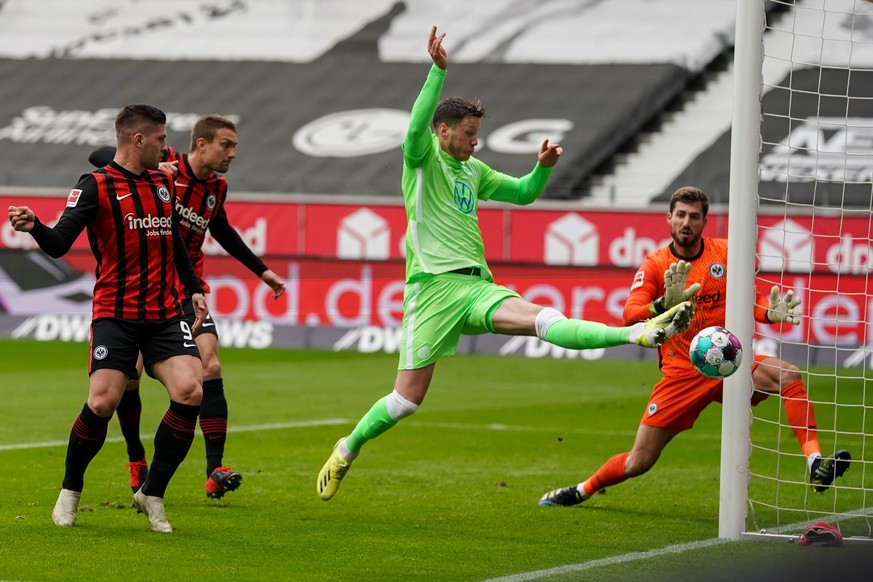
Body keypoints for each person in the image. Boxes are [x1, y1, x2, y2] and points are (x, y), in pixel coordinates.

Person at [315, 26, 695, 502]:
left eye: (478, 134)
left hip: (476, 287)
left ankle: (634, 335)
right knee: (406, 401)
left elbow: (524, 193)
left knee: (542, 319)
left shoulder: (473, 171)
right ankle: (348, 446)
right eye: (469, 134)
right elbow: (413, 127)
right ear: (445, 131)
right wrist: (437, 72)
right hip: (431, 291)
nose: (476, 143)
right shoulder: (422, 159)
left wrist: (543, 167)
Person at [538, 186, 851, 508]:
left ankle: (815, 462)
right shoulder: (656, 264)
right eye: (681, 215)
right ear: (669, 218)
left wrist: (770, 313)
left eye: (694, 217)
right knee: (639, 461)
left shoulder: (726, 254)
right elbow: (630, 314)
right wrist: (662, 304)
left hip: (730, 361)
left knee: (788, 374)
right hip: (681, 373)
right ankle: (582, 489)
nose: (686, 222)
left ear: (704, 222)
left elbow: (751, 301)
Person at [8, 104, 208, 532]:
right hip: (116, 313)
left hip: (164, 312)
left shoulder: (163, 184)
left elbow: (173, 243)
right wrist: (35, 225)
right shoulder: (95, 186)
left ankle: (152, 492)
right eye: (160, 139)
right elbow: (60, 243)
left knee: (191, 390)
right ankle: (70, 490)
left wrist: (193, 288)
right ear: (138, 139)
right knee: (103, 401)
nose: (166, 148)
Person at [90, 114, 286, 500]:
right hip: (142, 286)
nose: (232, 153)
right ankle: (135, 457)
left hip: (187, 290)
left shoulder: (216, 188)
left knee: (209, 363)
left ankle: (215, 469)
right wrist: (153, 166)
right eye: (226, 145)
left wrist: (262, 271)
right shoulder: (164, 166)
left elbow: (223, 231)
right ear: (201, 145)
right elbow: (101, 155)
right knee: (128, 377)